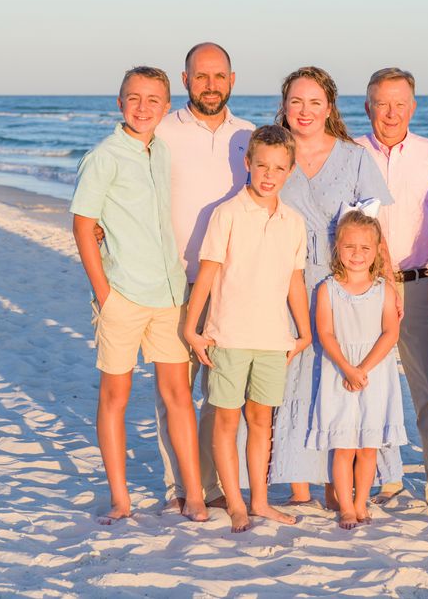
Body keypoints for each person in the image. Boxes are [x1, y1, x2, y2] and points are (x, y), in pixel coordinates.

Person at [69, 66, 206, 524]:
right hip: (123, 294)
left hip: (169, 293)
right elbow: (83, 225)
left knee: (178, 395)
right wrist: (104, 293)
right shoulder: (103, 156)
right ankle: (120, 500)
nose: (142, 107)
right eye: (134, 98)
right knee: (116, 396)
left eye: (152, 100)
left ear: (166, 107)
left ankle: (194, 495)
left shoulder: (161, 151)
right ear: (119, 102)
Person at [269, 67, 395, 503]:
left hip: (348, 280)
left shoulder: (354, 156)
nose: (304, 111)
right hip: (286, 278)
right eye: (296, 101)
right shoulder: (274, 152)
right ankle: (298, 485)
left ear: (329, 108)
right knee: (296, 379)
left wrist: (389, 284)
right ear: (285, 105)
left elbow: (374, 228)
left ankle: (335, 486)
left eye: (314, 102)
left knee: (341, 377)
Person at [181, 125, 312, 532]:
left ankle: (260, 501)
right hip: (229, 336)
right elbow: (207, 273)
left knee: (261, 421)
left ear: (290, 170)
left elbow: (294, 280)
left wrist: (304, 331)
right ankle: (235, 502)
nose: (269, 175)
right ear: (248, 164)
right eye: (262, 166)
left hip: (273, 339)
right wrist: (191, 328)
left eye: (279, 168)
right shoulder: (227, 214)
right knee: (225, 421)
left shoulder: (293, 221)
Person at [153, 41, 254, 512]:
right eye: (201, 76)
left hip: (231, 285)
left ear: (232, 80)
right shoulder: (161, 130)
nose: (210, 85)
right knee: (173, 392)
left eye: (219, 76)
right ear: (185, 79)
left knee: (222, 393)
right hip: (173, 281)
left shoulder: (249, 135)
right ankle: (180, 486)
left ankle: (212, 486)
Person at [355, 68, 428, 515]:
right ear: (368, 107)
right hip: (363, 289)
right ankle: (379, 481)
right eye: (382, 103)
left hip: (421, 287)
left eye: (400, 103)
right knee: (363, 388)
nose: (391, 113)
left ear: (413, 107)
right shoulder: (351, 153)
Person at [311, 208, 406, 529]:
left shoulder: (384, 290)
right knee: (344, 446)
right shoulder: (328, 289)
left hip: (374, 373)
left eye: (365, 248)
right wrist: (348, 369)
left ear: (377, 250)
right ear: (337, 246)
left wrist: (362, 368)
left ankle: (362, 502)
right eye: (349, 246)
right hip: (339, 372)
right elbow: (325, 333)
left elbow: (390, 333)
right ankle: (346, 507)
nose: (357, 254)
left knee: (367, 447)